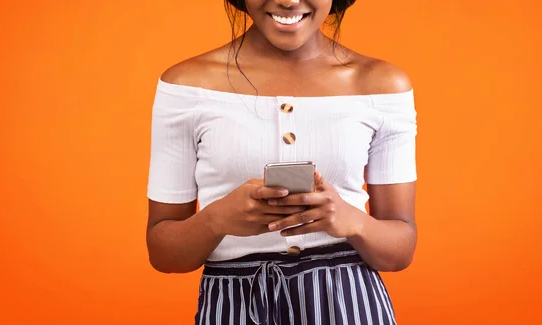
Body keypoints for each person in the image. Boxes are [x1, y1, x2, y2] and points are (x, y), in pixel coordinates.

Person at [145, 0, 418, 324]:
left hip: (350, 304)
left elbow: (400, 250)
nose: (288, 0)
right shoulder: (185, 88)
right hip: (233, 307)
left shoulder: (382, 86)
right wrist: (216, 219)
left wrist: (351, 220)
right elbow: (163, 253)